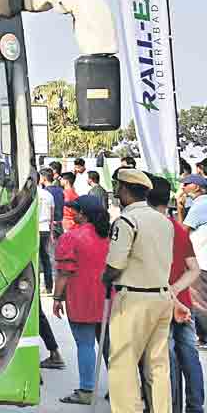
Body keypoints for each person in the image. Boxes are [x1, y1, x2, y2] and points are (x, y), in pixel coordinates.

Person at [103, 167, 174, 413]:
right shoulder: (164, 222)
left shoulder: (127, 220)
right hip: (162, 297)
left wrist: (105, 278)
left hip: (133, 298)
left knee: (123, 363)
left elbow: (115, 264)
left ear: (123, 190)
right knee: (158, 365)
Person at [149, 177, 205, 413]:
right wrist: (177, 292)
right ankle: (195, 405)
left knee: (166, 357)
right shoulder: (178, 228)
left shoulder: (148, 228)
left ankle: (169, 406)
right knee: (189, 353)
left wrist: (169, 294)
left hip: (160, 302)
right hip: (183, 301)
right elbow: (192, 268)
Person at [52, 194, 111, 405]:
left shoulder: (71, 237)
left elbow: (64, 273)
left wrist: (57, 298)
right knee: (109, 346)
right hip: (107, 298)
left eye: (75, 210)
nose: (71, 212)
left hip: (81, 298)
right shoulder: (109, 236)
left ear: (83, 214)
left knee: (85, 344)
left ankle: (86, 390)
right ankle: (120, 387)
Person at [38, 170, 57, 292]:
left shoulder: (31, 195)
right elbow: (52, 215)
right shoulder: (48, 195)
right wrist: (51, 232)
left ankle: (37, 285)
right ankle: (49, 286)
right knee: (46, 259)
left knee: (34, 259)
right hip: (45, 229)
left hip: (34, 229)